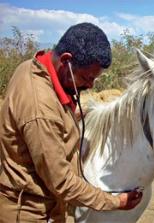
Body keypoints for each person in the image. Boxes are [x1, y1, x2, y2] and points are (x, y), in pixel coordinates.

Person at [0, 22, 142, 223]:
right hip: (32, 213)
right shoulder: (41, 108)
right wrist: (116, 202)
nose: (90, 85)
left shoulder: (32, 67)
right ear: (66, 60)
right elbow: (61, 182)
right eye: (86, 77)